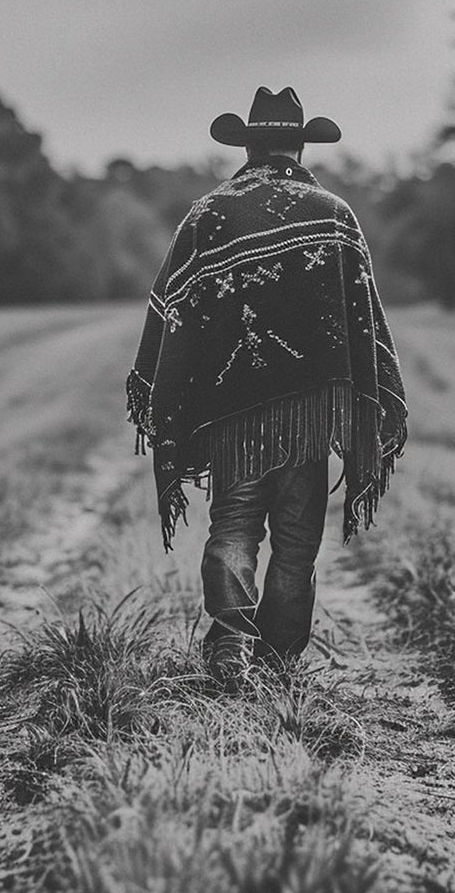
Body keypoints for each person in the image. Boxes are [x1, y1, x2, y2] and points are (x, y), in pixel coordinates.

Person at [126, 85, 409, 675]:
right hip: (311, 416)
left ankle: (231, 643)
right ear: (301, 146)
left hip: (235, 416)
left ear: (249, 144)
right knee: (298, 539)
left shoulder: (209, 215)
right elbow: (365, 325)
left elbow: (175, 314)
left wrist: (175, 396)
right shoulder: (336, 215)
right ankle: (281, 658)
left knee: (234, 525)